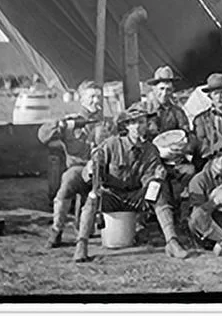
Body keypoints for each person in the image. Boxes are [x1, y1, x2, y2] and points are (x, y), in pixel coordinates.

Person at [73, 104, 189, 263]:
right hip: (111, 196)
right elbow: (89, 173)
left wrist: (157, 177)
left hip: (136, 197)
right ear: (126, 126)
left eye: (142, 122)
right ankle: (82, 245)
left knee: (159, 191)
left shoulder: (150, 150)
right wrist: (91, 170)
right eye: (134, 122)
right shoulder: (112, 144)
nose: (139, 126)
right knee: (92, 197)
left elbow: (149, 179)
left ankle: (172, 242)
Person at [39, 80, 105, 249]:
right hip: (79, 170)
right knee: (67, 181)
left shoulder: (107, 123)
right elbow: (43, 136)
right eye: (91, 97)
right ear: (82, 100)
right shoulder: (71, 123)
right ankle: (56, 229)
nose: (96, 101)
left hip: (101, 172)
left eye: (99, 96)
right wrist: (58, 125)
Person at [141, 66, 198, 203]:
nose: (165, 93)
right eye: (161, 89)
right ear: (154, 89)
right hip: (148, 160)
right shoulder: (143, 110)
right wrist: (155, 152)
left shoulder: (177, 112)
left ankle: (178, 207)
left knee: (190, 171)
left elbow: (189, 135)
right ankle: (146, 213)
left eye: (168, 89)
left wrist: (185, 148)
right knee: (154, 180)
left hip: (172, 159)